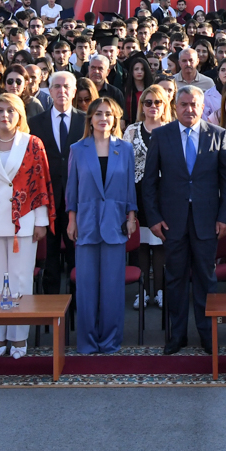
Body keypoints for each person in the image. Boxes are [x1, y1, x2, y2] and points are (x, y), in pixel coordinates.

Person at [139, 84, 226, 355]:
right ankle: (177, 335)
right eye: (184, 104)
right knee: (175, 279)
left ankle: (208, 335)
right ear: (175, 107)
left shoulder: (218, 134)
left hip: (208, 221)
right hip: (172, 222)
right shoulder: (161, 135)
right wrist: (154, 218)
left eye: (194, 104)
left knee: (207, 279)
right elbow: (149, 182)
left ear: (203, 107)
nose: (189, 109)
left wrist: (224, 217)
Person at [0, 92, 53, 358]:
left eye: (10, 110)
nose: (5, 115)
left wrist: (41, 221)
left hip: (24, 221)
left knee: (20, 279)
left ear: (20, 115)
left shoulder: (32, 143)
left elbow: (40, 185)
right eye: (0, 110)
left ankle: (19, 338)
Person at [66, 98, 137, 354]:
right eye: (98, 114)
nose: (103, 118)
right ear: (90, 118)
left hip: (116, 223)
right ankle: (87, 341)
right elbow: (71, 188)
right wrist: (71, 220)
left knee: (112, 288)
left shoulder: (125, 149)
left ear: (115, 118)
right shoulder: (77, 148)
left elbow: (130, 187)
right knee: (86, 287)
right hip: (85, 222)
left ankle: (110, 341)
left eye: (108, 114)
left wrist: (131, 216)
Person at [33, 71, 86, 295]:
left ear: (74, 91)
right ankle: (50, 304)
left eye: (66, 87)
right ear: (49, 91)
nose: (61, 90)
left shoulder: (86, 121)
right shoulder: (35, 123)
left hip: (79, 198)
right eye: (56, 86)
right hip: (47, 197)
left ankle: (77, 303)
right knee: (50, 256)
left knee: (77, 254)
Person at [123, 83, 172, 310]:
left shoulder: (171, 129)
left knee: (160, 243)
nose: (153, 106)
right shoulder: (132, 131)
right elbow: (124, 166)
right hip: (138, 194)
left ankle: (160, 291)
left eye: (157, 102)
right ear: (141, 106)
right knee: (141, 244)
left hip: (164, 194)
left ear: (165, 105)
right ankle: (142, 292)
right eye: (148, 102)